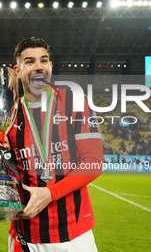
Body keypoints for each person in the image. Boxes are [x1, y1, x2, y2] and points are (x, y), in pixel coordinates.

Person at [7, 37, 104, 252]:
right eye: (30, 61)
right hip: (24, 235)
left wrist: (50, 194)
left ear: (51, 66)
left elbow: (94, 162)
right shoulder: (8, 115)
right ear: (17, 70)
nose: (38, 66)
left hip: (73, 235)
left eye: (44, 60)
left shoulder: (74, 101)